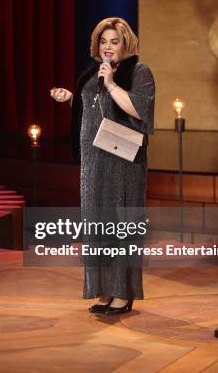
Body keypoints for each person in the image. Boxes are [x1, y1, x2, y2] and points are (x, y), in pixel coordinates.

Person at [50, 17, 155, 315]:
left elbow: (140, 110)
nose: (107, 47)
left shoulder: (138, 71)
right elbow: (94, 112)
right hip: (93, 160)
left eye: (114, 41)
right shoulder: (91, 71)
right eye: (103, 42)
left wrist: (110, 84)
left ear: (126, 44)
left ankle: (124, 293)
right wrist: (71, 99)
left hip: (122, 162)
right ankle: (105, 290)